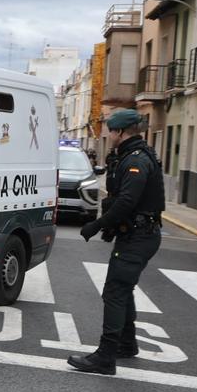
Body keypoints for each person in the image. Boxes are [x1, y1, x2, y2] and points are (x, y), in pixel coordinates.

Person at [68, 109, 165, 375]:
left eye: (110, 131)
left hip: (139, 236)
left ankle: (105, 356)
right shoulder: (132, 155)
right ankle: (126, 343)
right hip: (137, 233)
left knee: (115, 291)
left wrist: (97, 225)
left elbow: (126, 201)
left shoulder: (136, 160)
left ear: (120, 132)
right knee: (123, 288)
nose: (108, 135)